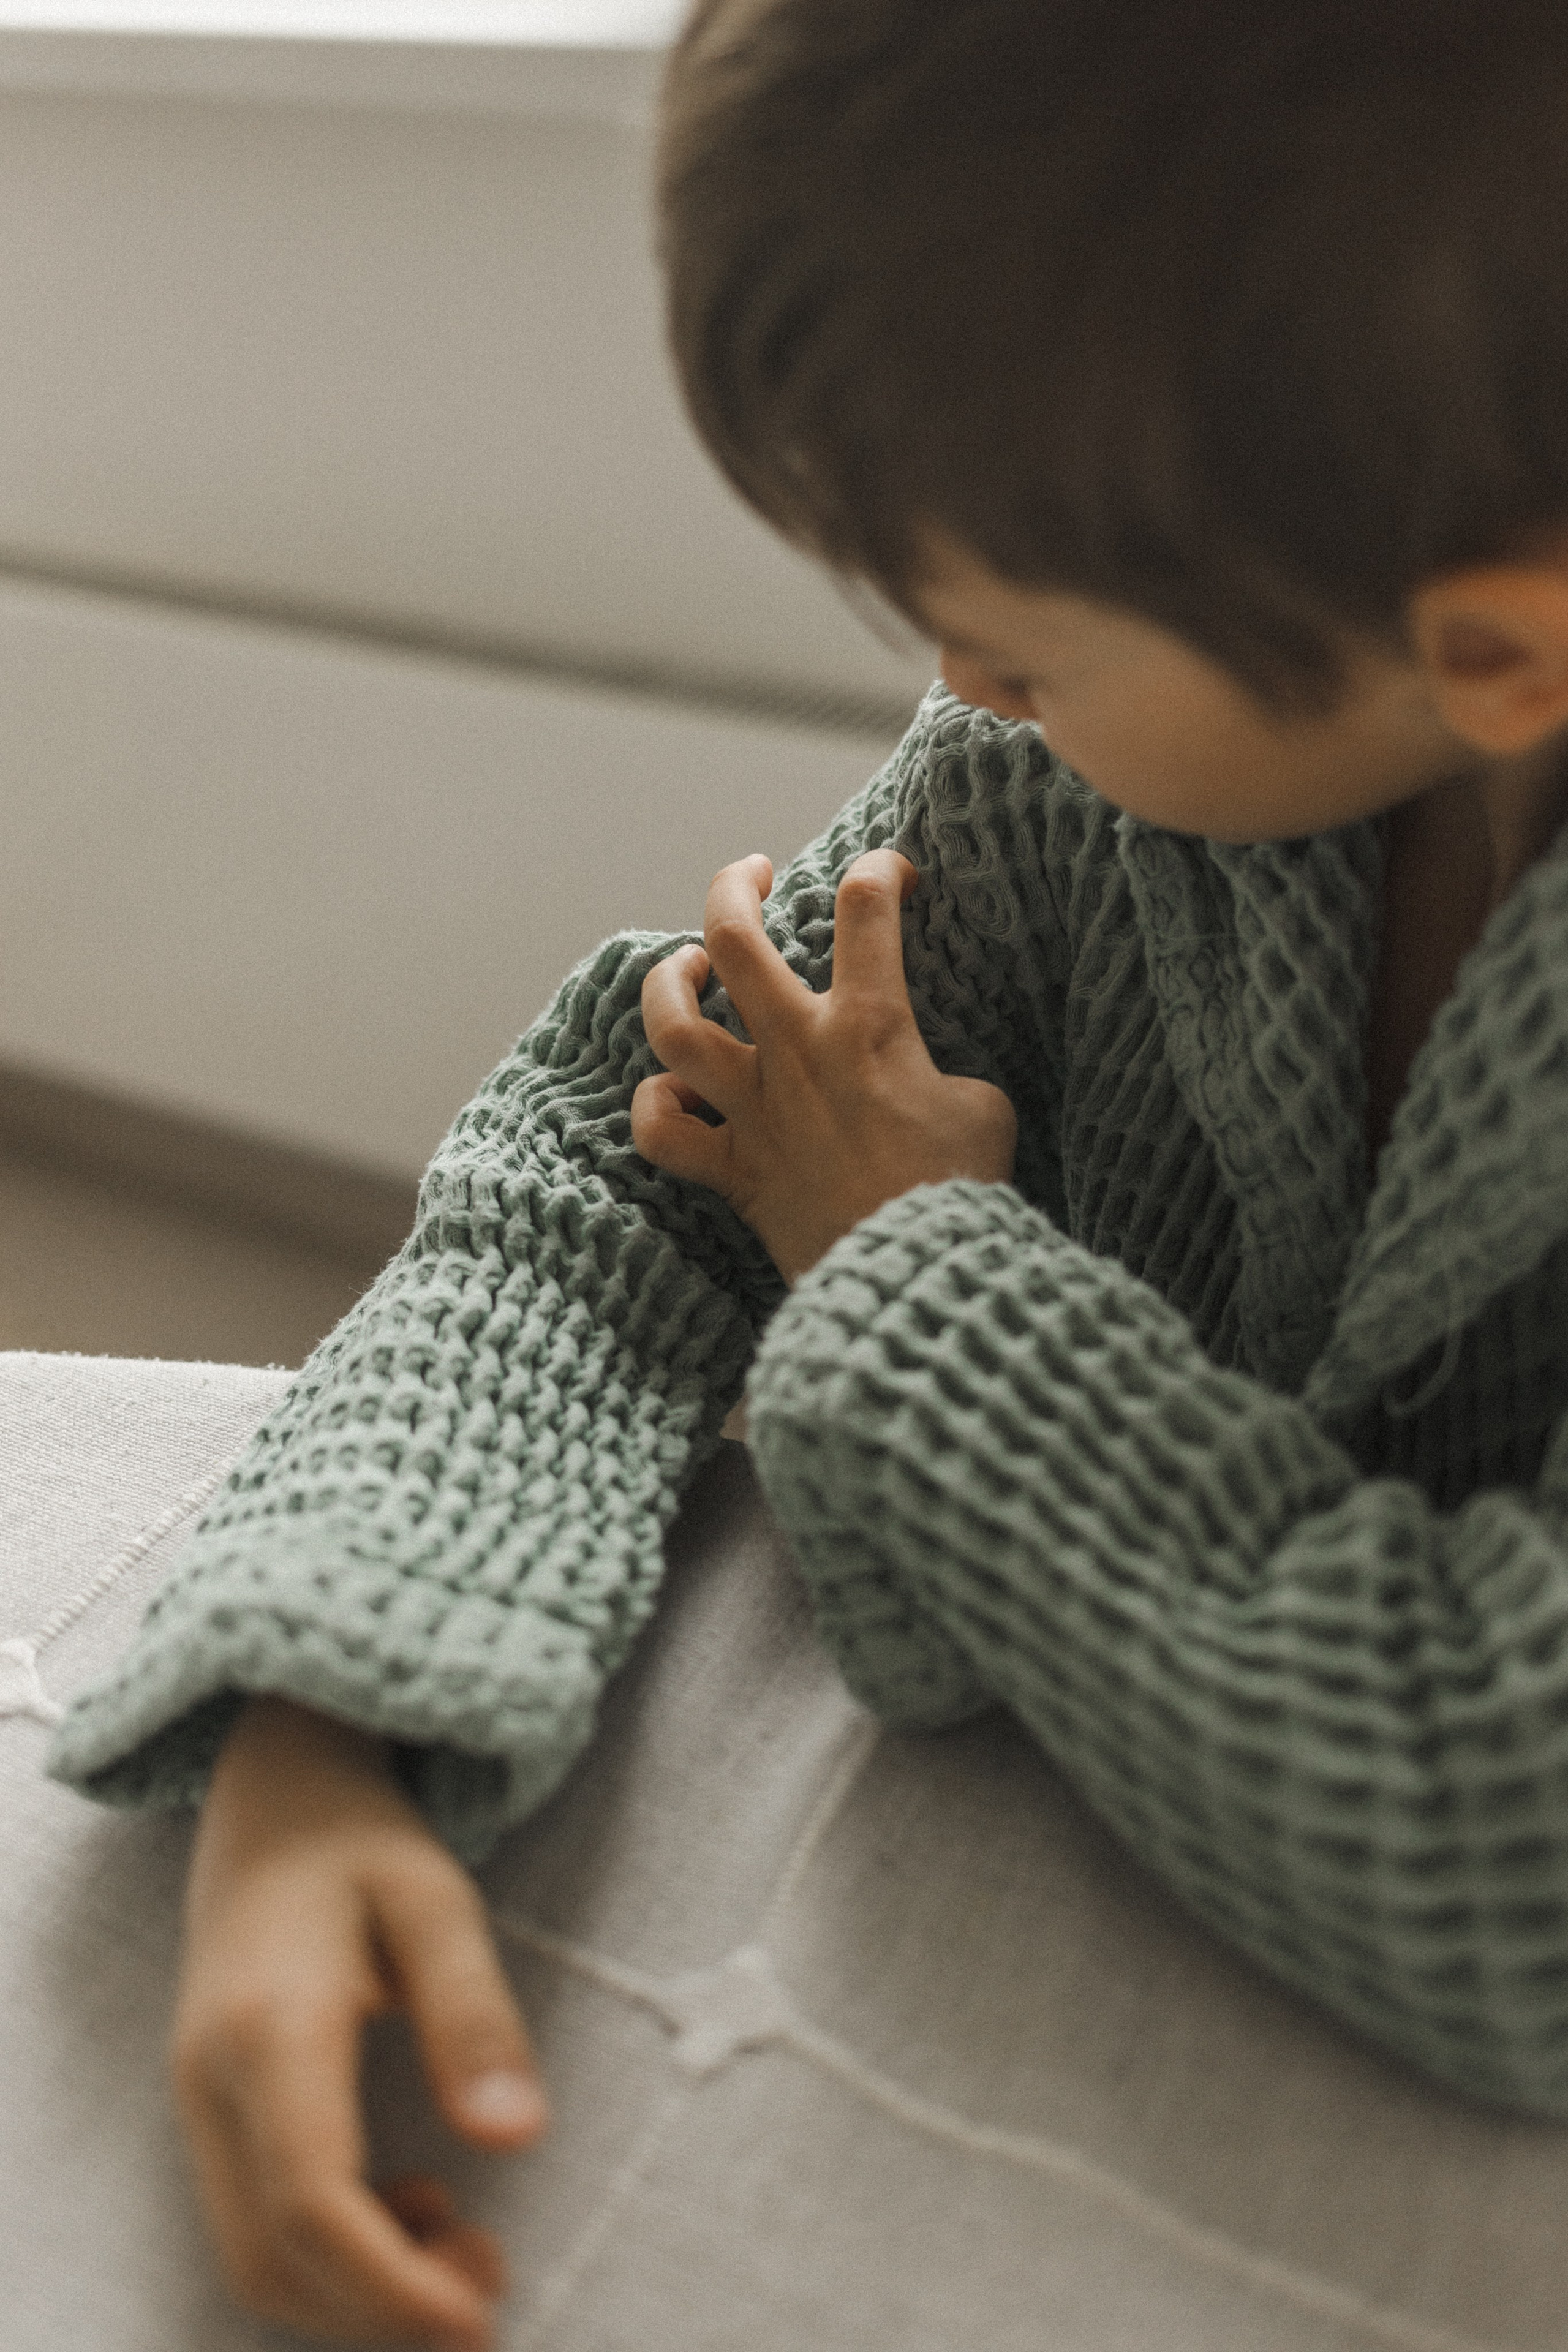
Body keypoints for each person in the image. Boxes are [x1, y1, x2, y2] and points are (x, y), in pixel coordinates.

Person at [46, 0, 1568, 2342]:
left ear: (1496, 641)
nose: (954, 687)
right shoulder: (1081, 780)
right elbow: (625, 1150)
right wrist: (331, 1712)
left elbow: (1511, 1838)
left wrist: (912, 1272)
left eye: (1026, 644)